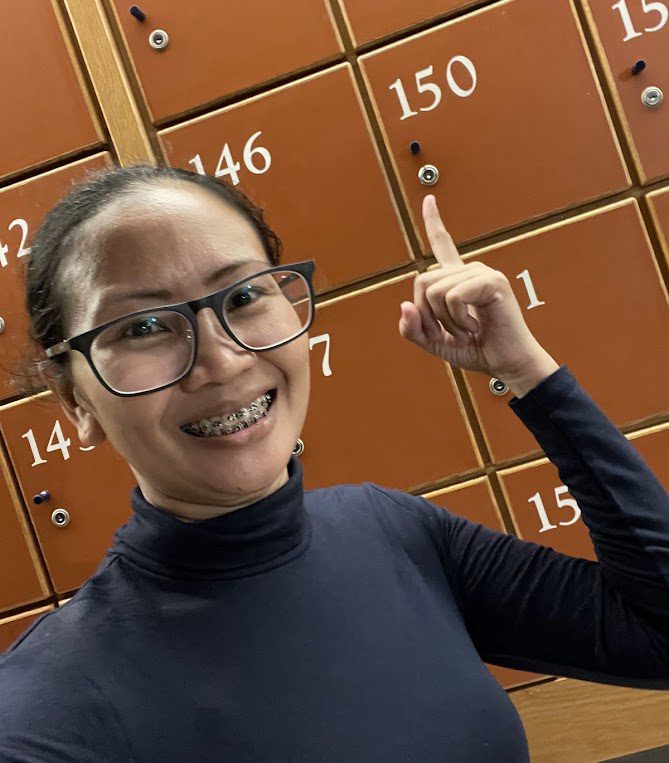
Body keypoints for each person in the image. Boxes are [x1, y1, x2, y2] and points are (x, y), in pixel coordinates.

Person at [0, 162, 667, 763]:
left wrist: (526, 372)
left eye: (242, 297)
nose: (221, 360)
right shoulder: (46, 712)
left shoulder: (390, 530)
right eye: (142, 326)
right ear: (74, 400)